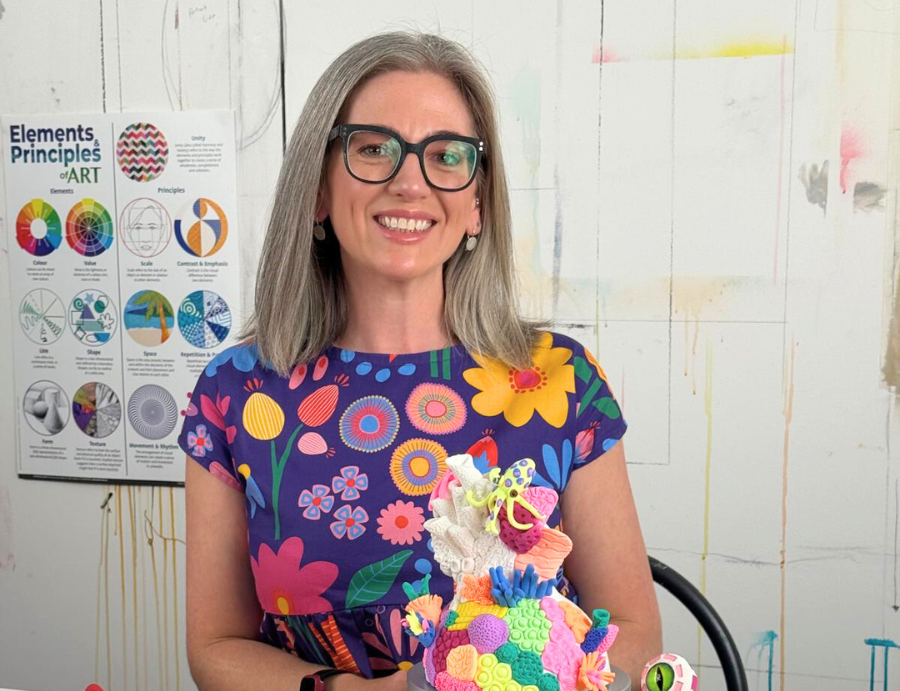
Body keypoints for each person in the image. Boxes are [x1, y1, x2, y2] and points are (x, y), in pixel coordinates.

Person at [180, 31, 661, 691]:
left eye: (446, 156)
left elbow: (633, 629)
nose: (411, 182)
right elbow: (216, 646)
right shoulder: (233, 394)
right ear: (318, 191)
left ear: (476, 205)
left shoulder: (560, 381)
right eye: (373, 148)